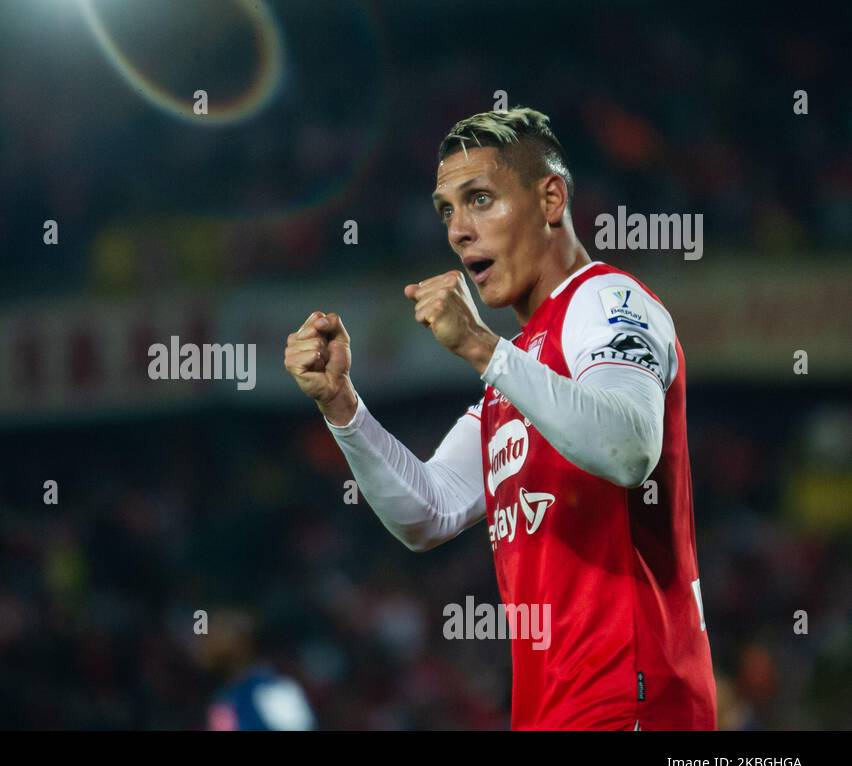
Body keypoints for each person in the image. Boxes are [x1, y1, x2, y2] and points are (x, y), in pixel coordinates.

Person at [284, 107, 716, 730]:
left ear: (550, 198)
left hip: (634, 705)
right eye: (447, 211)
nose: (459, 231)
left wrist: (483, 348)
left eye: (480, 199)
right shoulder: (513, 380)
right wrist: (340, 404)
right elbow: (426, 513)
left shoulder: (605, 300)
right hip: (552, 714)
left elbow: (629, 449)